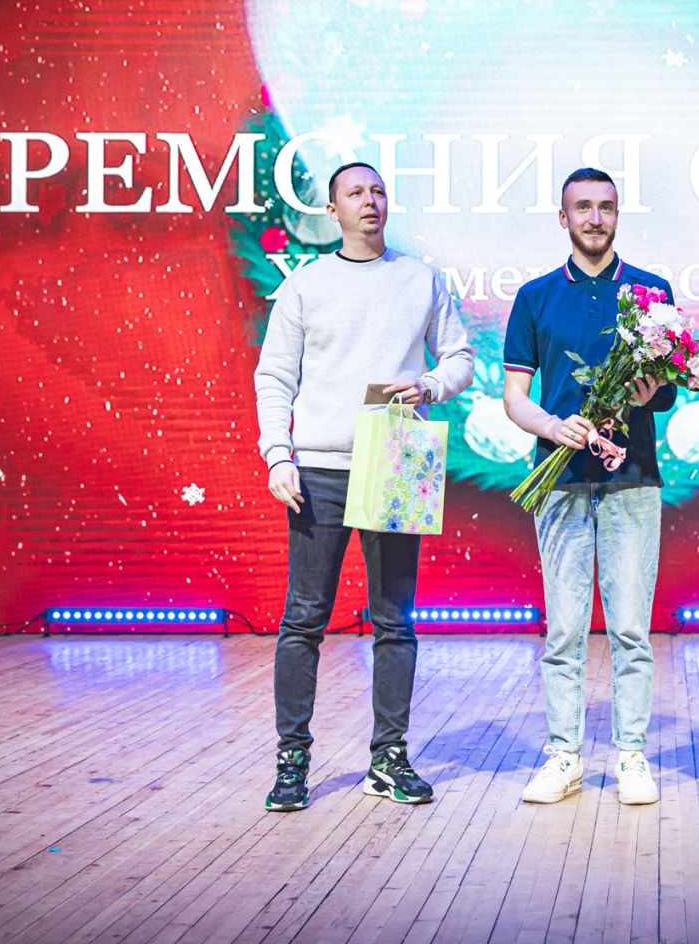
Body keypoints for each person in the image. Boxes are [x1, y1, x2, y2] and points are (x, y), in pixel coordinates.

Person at [253, 161, 474, 810]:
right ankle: (292, 760)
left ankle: (389, 757)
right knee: (304, 618)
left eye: (377, 190)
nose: (370, 200)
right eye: (355, 192)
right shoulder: (307, 284)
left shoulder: (420, 279)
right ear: (333, 209)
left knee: (395, 620)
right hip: (319, 465)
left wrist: (430, 385)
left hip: (397, 456)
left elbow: (460, 357)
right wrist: (278, 454)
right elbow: (275, 376)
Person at [502, 167, 675, 805]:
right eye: (583, 207)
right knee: (564, 632)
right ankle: (564, 756)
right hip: (561, 481)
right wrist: (553, 426)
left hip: (633, 480)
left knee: (630, 629)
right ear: (563, 218)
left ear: (618, 215)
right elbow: (514, 397)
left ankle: (630, 755)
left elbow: (667, 397)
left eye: (605, 207)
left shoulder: (651, 293)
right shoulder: (536, 296)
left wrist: (649, 392)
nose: (595, 218)